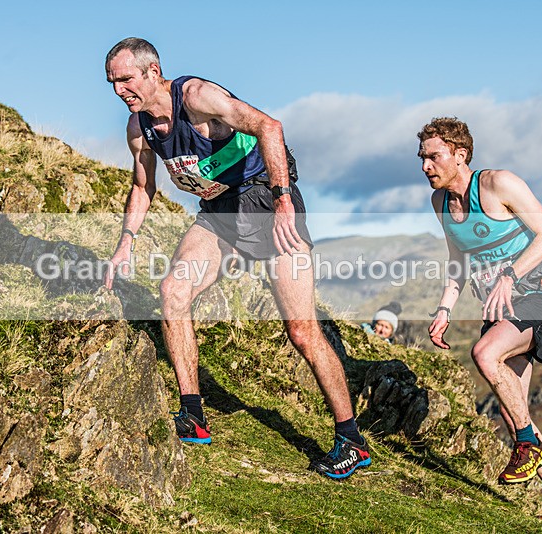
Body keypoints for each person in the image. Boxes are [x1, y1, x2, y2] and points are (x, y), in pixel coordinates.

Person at [102, 37, 370, 479]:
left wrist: (284, 199)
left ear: (153, 71)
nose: (119, 90)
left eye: (125, 79)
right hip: (220, 215)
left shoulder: (197, 97)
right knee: (173, 290)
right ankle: (193, 415)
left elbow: (270, 127)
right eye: (112, 82)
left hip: (266, 203)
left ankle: (351, 440)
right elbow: (141, 186)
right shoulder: (139, 129)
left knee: (302, 331)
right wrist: (126, 240)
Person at [419, 117, 542, 521]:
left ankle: (527, 444)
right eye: (421, 157)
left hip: (539, 295)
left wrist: (510, 275)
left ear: (460, 155)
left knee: (485, 354)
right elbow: (458, 260)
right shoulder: (440, 203)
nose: (425, 166)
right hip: (502, 309)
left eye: (434, 156)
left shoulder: (498, 184)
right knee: (514, 408)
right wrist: (444, 309)